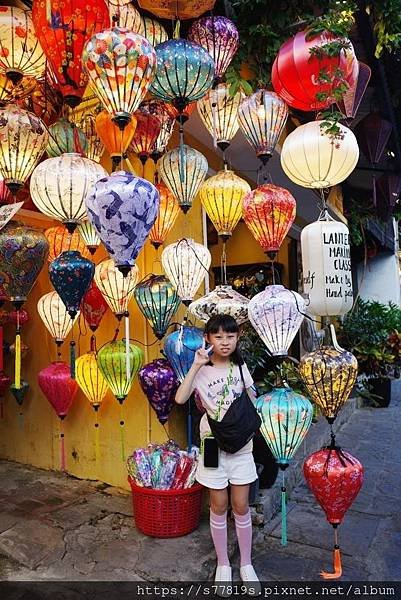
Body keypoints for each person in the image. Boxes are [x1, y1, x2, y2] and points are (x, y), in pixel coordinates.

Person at [175, 314, 261, 594]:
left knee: (241, 505)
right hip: (212, 443)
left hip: (241, 446)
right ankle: (224, 564)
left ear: (237, 339)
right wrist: (196, 365)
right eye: (219, 337)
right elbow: (180, 398)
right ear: (209, 339)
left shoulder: (240, 367)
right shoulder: (200, 369)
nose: (225, 342)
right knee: (218, 505)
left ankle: (246, 564)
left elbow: (252, 400)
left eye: (231, 336)